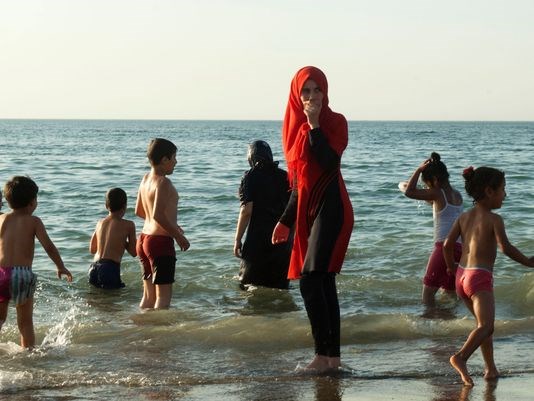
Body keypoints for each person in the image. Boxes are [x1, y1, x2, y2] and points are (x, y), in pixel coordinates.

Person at [271, 66, 354, 372]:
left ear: (326, 92)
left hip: (333, 208)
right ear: (296, 94)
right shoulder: (294, 130)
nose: (312, 96)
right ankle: (331, 359)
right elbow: (298, 184)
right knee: (322, 282)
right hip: (308, 211)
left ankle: (322, 357)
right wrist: (284, 220)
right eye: (305, 91)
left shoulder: (335, 122)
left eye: (317, 89)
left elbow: (330, 162)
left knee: (311, 281)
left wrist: (315, 124)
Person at [444, 166, 534, 386]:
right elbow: (506, 248)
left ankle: (490, 368)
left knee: (481, 326)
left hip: (461, 277)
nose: (506, 194)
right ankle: (461, 357)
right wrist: (529, 262)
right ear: (489, 191)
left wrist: (450, 268)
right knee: (486, 326)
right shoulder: (495, 219)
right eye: (503, 189)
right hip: (479, 278)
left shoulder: (464, 216)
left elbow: (447, 245)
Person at [0, 176, 72, 348]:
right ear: (32, 203)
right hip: (22, 274)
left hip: (1, 274)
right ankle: (29, 356)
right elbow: (48, 246)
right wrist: (60, 266)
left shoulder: (1, 219)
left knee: (0, 320)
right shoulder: (34, 221)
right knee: (25, 324)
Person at [402, 152, 463, 306]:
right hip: (459, 249)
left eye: (428, 184)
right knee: (449, 293)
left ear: (435, 180)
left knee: (428, 294)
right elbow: (441, 207)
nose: (428, 188)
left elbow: (409, 192)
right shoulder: (457, 194)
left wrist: (418, 169)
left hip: (443, 248)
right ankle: (449, 322)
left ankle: (428, 325)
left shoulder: (437, 193)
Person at [135, 138, 190, 309]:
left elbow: (140, 211)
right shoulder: (163, 182)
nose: (176, 162)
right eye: (174, 158)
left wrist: (172, 224)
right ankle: (158, 335)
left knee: (148, 297)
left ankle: (141, 328)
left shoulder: (145, 179)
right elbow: (158, 215)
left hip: (144, 240)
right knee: (163, 299)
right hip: (159, 243)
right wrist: (178, 236)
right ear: (164, 160)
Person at [234, 140, 292, 290]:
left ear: (251, 158)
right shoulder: (285, 176)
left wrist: (237, 239)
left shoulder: (250, 177)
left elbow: (247, 211)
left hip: (257, 243)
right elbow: (294, 209)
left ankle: (255, 314)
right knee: (280, 289)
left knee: (247, 286)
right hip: (282, 242)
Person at [89, 188, 137, 289]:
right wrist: (123, 242)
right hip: (109, 268)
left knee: (95, 300)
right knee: (112, 302)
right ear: (125, 206)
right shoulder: (129, 225)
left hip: (93, 267)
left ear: (106, 206)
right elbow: (134, 252)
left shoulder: (100, 223)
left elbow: (92, 249)